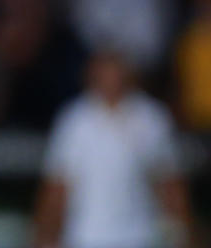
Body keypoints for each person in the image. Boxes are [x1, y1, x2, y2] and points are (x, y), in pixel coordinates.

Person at [33, 50, 193, 248]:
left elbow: (170, 182)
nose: (111, 79)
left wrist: (180, 234)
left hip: (140, 237)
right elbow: (57, 185)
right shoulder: (74, 119)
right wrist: (45, 234)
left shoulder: (152, 117)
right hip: (85, 237)